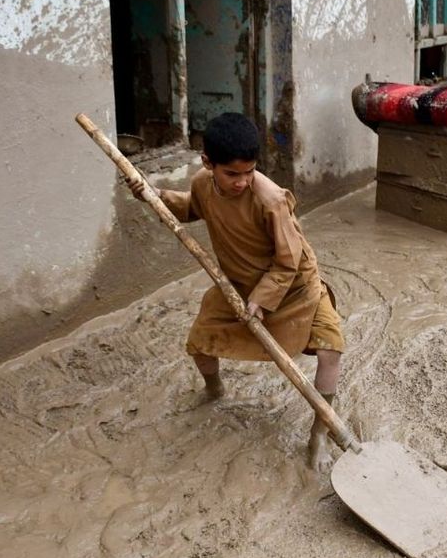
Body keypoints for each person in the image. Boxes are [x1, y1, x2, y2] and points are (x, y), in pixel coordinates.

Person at [127, 112, 346, 471]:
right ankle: (214, 390)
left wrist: (260, 301)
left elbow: (288, 262)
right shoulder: (202, 184)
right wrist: (153, 195)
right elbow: (189, 208)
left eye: (249, 172)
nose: (242, 182)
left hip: (293, 289)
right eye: (232, 174)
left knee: (330, 352)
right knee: (199, 342)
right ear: (208, 163)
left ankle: (319, 434)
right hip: (239, 288)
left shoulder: (271, 200)